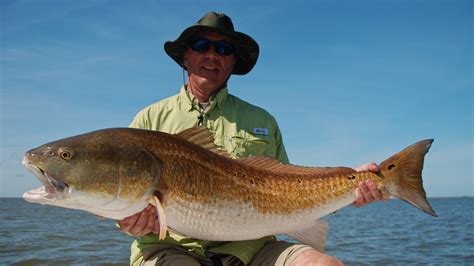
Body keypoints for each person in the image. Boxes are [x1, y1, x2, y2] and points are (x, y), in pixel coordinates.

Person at [118, 11, 386, 266]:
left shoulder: (263, 121)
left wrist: (354, 182)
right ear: (186, 56)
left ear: (233, 62)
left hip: (253, 249)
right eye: (201, 45)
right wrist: (126, 220)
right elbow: (119, 195)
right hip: (171, 248)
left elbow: (292, 190)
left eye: (223, 49)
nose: (212, 55)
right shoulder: (148, 120)